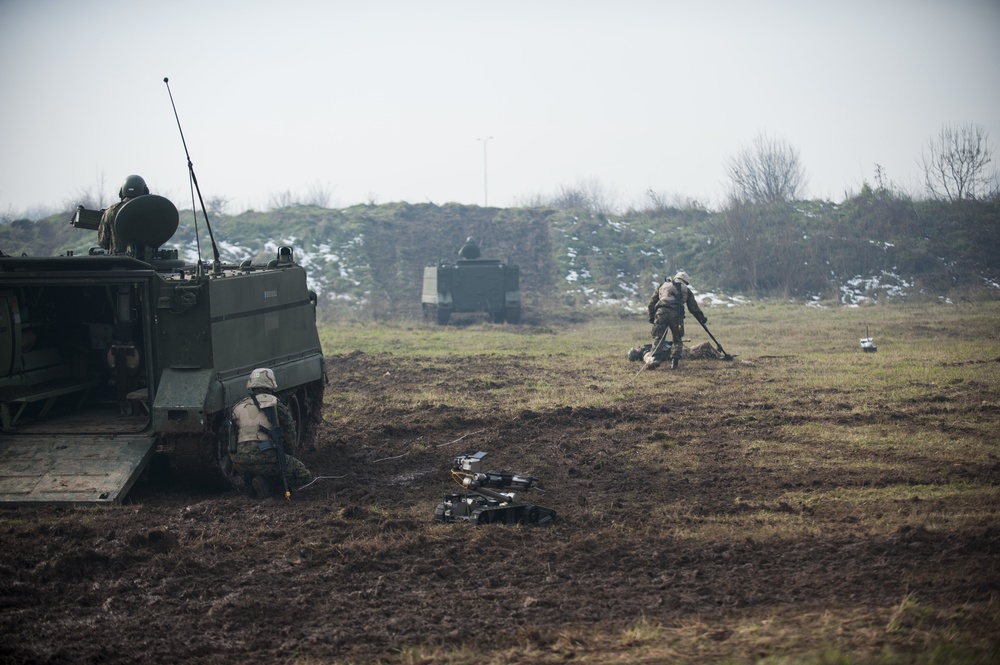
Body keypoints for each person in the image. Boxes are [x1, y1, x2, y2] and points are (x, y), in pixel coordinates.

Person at [229, 367, 312, 498]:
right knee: (303, 475)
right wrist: (288, 456)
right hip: (266, 457)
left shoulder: (238, 407)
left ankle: (252, 483)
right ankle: (267, 483)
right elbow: (290, 431)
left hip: (239, 462)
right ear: (271, 385)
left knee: (257, 464)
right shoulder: (275, 403)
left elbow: (229, 439)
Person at [646, 270, 707, 369]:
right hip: (676, 315)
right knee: (677, 338)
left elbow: (651, 303)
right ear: (685, 281)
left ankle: (655, 358)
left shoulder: (663, 285)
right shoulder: (686, 290)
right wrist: (702, 318)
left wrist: (651, 317)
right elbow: (693, 308)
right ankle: (674, 362)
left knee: (658, 336)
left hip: (661, 312)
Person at [98, 174, 149, 254]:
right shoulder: (150, 210)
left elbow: (103, 242)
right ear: (145, 191)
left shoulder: (110, 211)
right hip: (146, 261)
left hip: (117, 261)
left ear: (122, 191)